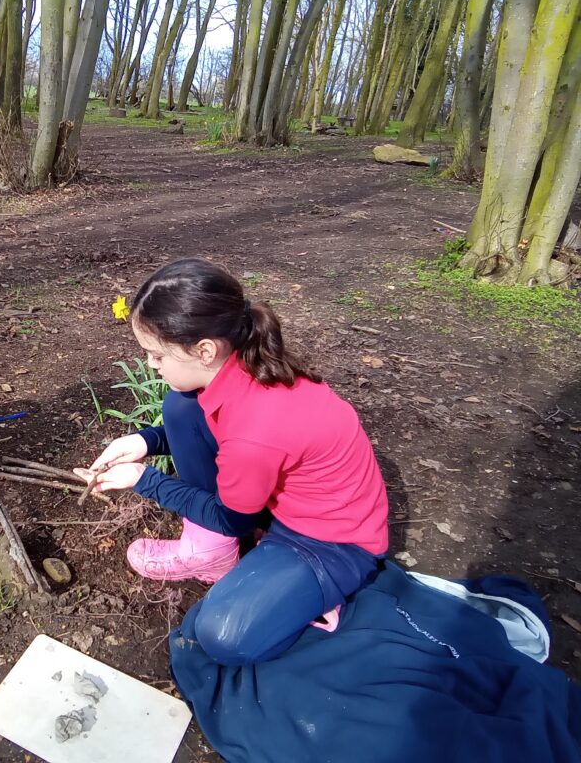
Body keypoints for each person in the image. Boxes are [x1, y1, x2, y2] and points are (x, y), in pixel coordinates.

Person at [75, 258, 389, 664]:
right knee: (181, 407)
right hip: (298, 500)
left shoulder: (255, 431)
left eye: (156, 355)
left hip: (333, 542)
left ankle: (309, 594)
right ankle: (227, 555)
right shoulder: (248, 365)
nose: (151, 366)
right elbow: (212, 431)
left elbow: (232, 519)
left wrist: (143, 479)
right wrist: (145, 441)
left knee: (222, 635)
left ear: (204, 349)